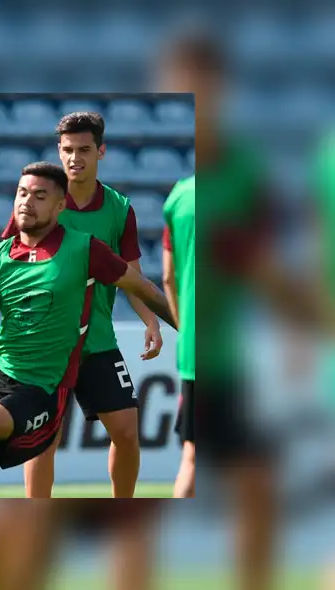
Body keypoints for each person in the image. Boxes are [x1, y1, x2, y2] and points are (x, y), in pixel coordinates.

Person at [0, 162, 177, 498]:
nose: (27, 202)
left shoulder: (84, 249)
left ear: (60, 207)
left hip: (46, 385)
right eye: (22, 193)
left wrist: (184, 327)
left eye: (39, 196)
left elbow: (142, 287)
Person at [0, 112, 161, 499]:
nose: (74, 158)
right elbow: (2, 266)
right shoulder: (37, 203)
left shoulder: (119, 209)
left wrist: (152, 322)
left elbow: (132, 276)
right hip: (44, 347)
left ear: (101, 152)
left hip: (96, 342)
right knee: (44, 440)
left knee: (126, 432)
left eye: (83, 150)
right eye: (67, 150)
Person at [163, 175, 195, 499]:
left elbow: (168, 277)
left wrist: (185, 329)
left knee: (193, 457)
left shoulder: (179, 196)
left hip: (195, 349)